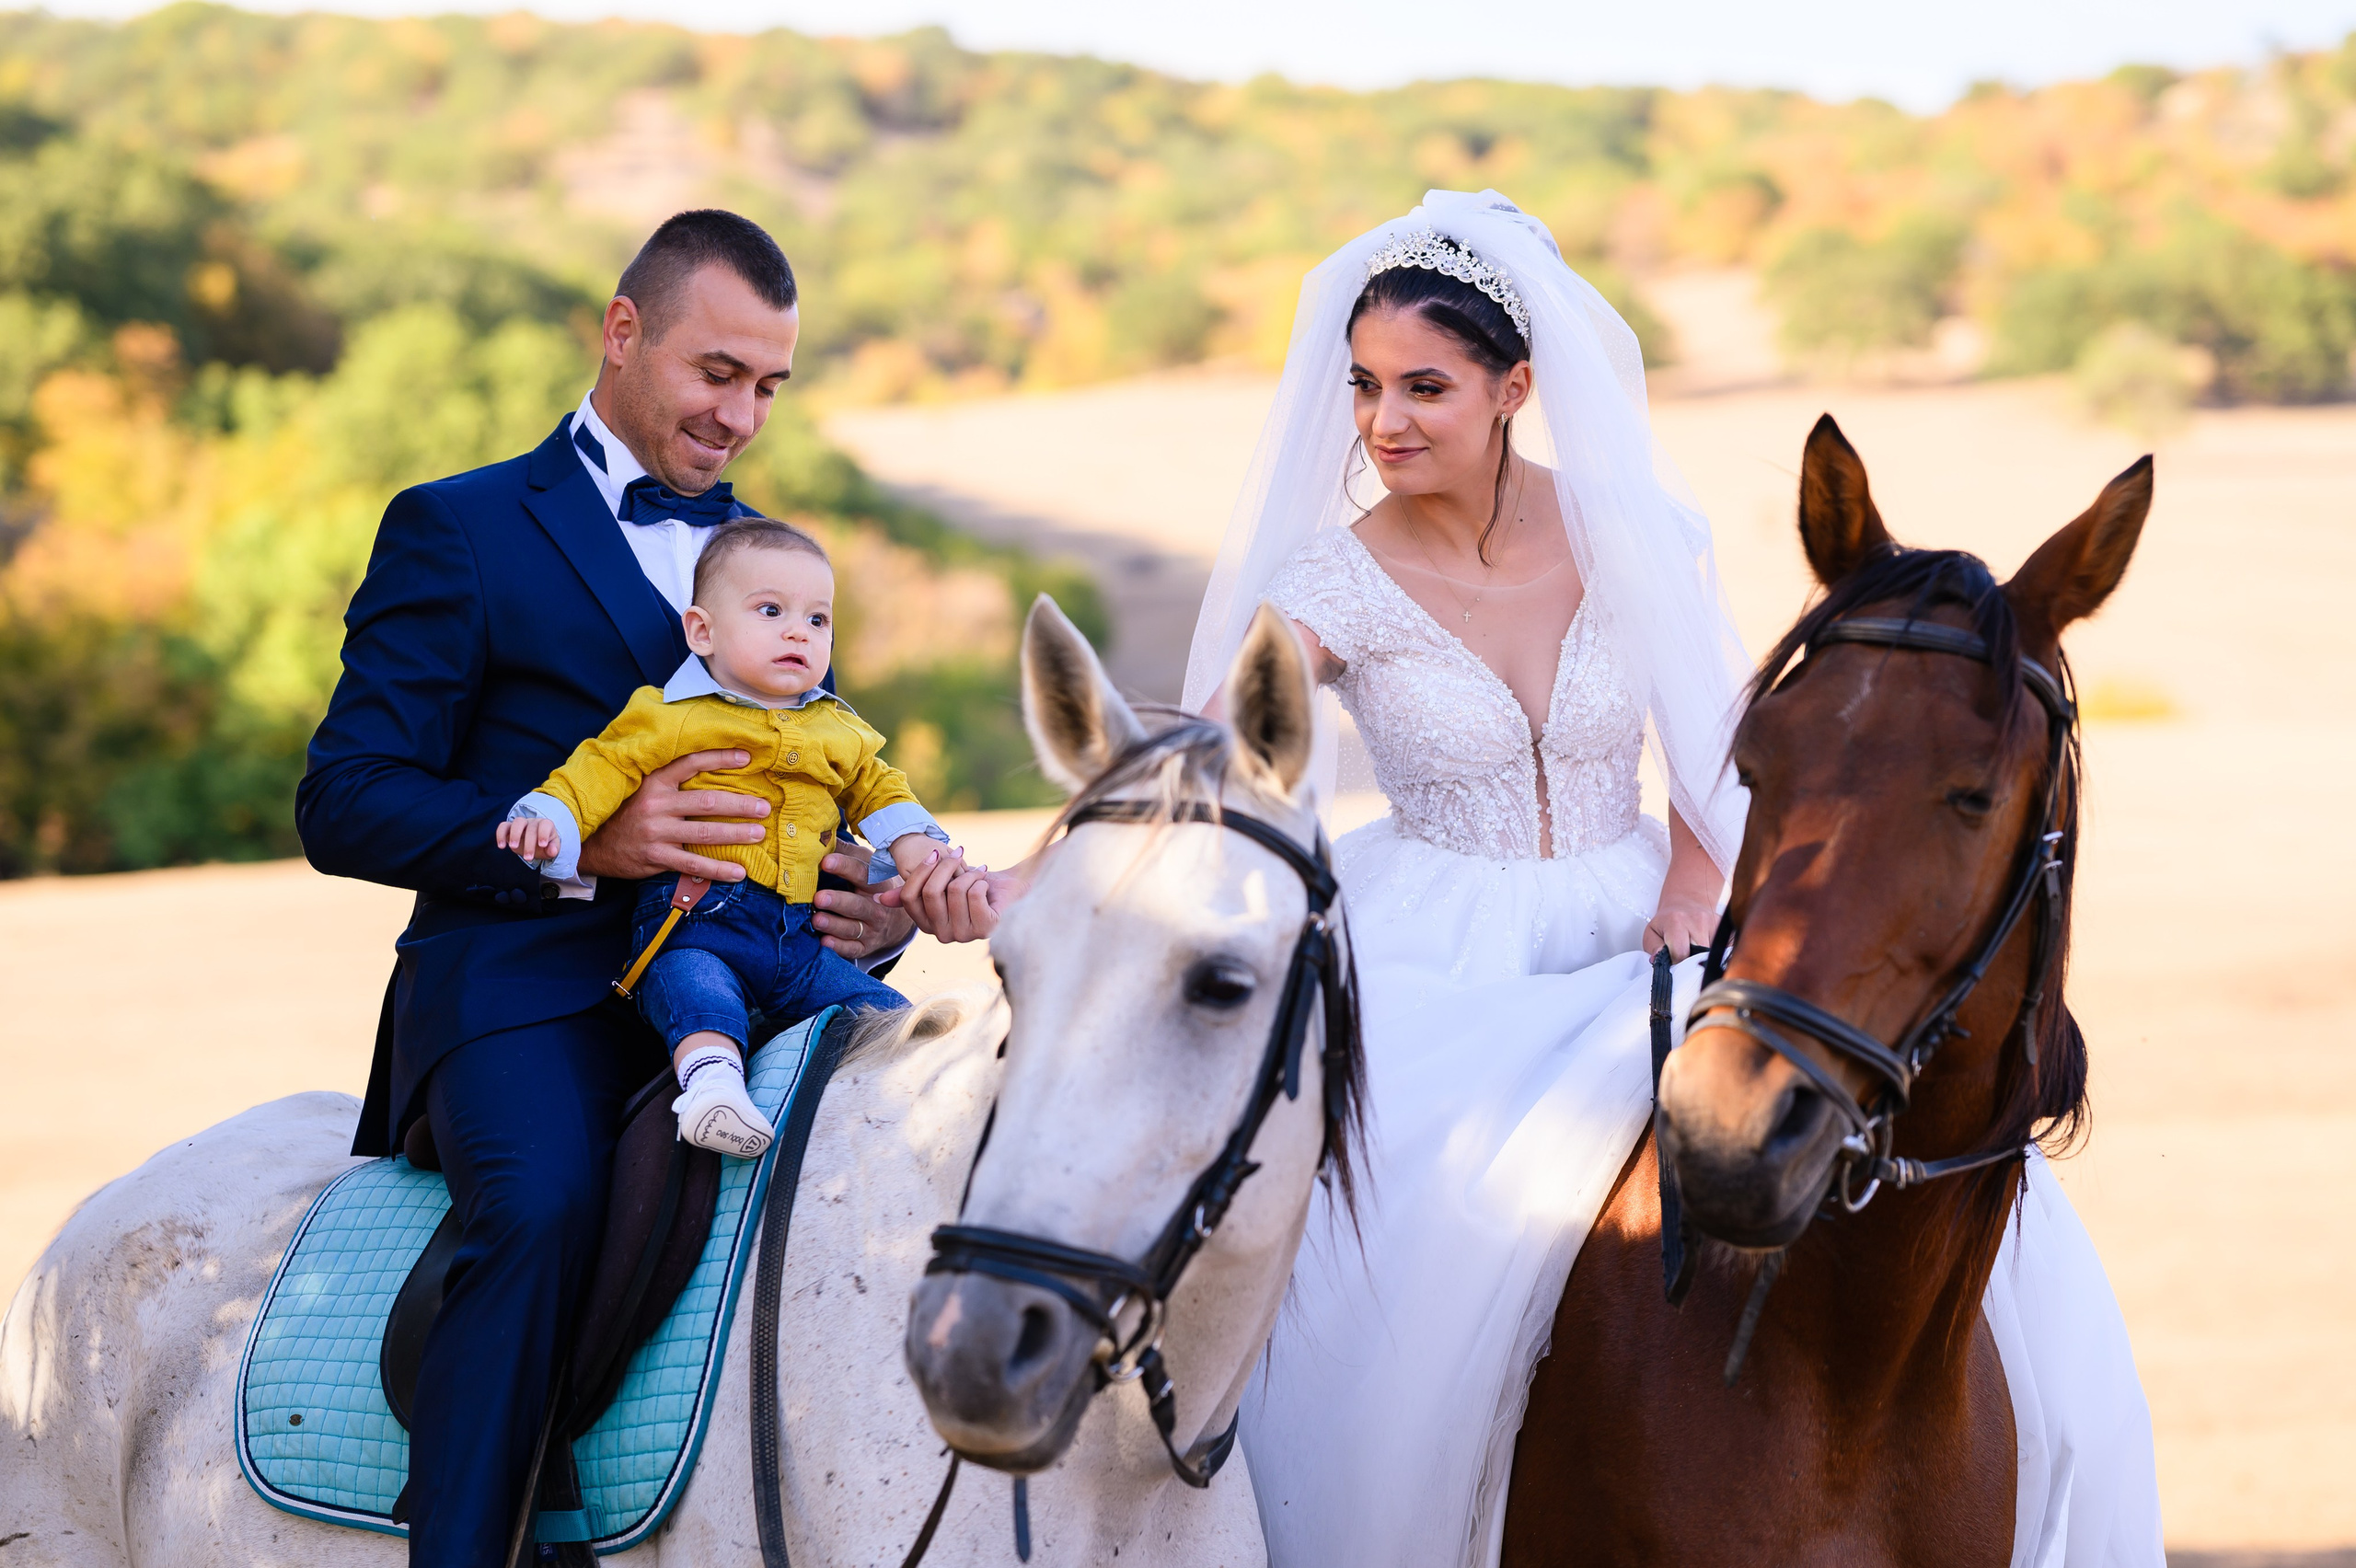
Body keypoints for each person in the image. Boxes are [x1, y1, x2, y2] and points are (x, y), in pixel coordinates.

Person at [896, 191, 2159, 1567]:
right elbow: (1207, 760)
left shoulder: (1629, 532)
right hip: (1437, 950)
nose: (1385, 423)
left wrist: (1693, 880)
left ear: (1517, 387)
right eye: (1366, 387)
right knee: (1393, 1261)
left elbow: (1722, 737)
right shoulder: (1338, 575)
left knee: (1973, 1221)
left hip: (1643, 923)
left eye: (1426, 388)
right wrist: (1024, 877)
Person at [297, 209, 915, 1566]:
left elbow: (832, 782)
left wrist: (865, 897)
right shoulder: (457, 529)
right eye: (716, 373)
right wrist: (594, 844)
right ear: (622, 333)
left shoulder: (776, 565)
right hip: (521, 989)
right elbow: (342, 798)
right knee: (544, 1207)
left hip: (751, 981)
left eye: (769, 386)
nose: (742, 415)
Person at [497, 516, 948, 1158]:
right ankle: (713, 1095)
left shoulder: (838, 729)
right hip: (697, 920)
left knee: (891, 1018)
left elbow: (882, 791)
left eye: (818, 620)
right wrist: (551, 820)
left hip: (797, 943)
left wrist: (917, 851)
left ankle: (937, 1108)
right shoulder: (671, 715)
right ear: (702, 630)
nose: (800, 630)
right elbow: (599, 769)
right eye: (772, 611)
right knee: (697, 997)